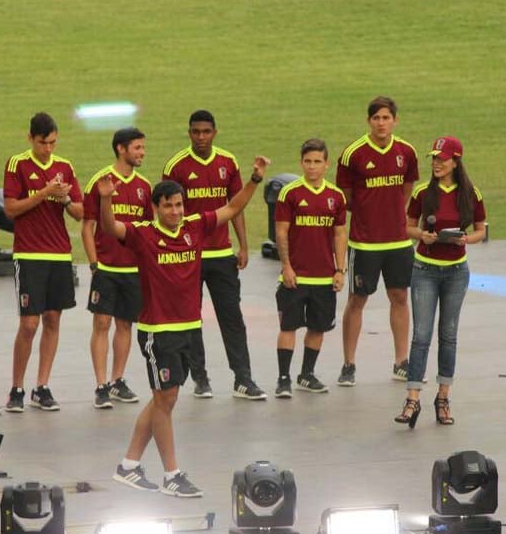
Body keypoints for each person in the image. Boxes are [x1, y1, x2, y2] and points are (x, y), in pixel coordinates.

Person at [100, 155, 271, 498]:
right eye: (168, 206)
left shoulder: (195, 226)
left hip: (189, 327)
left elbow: (231, 208)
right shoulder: (143, 234)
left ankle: (129, 466)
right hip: (158, 332)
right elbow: (110, 228)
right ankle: (171, 474)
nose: (176, 212)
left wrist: (253, 179)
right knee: (165, 400)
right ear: (156, 208)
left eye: (179, 205)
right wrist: (106, 199)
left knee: (167, 398)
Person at [162, 110, 265, 400]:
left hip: (221, 254)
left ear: (215, 132)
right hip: (188, 255)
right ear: (189, 133)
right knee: (191, 318)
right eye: (196, 132)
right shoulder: (177, 166)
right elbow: (167, 213)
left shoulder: (227, 162)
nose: (201, 137)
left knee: (231, 316)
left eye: (206, 132)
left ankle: (243, 378)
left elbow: (235, 206)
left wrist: (243, 245)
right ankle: (200, 378)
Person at [395, 136, 486, 428]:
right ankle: (412, 398)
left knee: (448, 335)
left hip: (456, 272)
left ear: (455, 161)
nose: (436, 163)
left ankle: (443, 397)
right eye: (434, 158)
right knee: (421, 335)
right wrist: (422, 235)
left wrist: (465, 239)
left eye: (442, 159)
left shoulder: (471, 194)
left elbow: (480, 230)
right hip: (425, 269)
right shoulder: (423, 192)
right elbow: (407, 226)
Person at [335, 96, 419, 386]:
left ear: (395, 120)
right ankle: (349, 364)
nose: (381, 123)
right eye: (376, 118)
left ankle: (401, 361)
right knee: (357, 299)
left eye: (386, 118)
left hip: (397, 242)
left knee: (400, 297)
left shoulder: (406, 152)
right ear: (368, 121)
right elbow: (344, 198)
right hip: (365, 243)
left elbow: (406, 189)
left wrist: (392, 214)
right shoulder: (352, 154)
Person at [3, 113, 83, 412]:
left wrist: (63, 199)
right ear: (30, 139)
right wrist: (44, 193)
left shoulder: (66, 167)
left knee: (52, 320)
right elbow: (11, 209)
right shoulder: (18, 165)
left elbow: (79, 212)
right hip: (30, 254)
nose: (48, 149)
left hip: (59, 254)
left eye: (52, 142)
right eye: (42, 143)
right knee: (29, 323)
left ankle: (42, 386)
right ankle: (16, 388)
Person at [80, 127, 153, 409]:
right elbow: (87, 226)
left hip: (133, 271)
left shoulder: (144, 187)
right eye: (137, 148)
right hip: (106, 267)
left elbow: (147, 231)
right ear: (121, 149)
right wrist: (94, 262)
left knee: (125, 324)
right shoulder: (100, 182)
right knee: (102, 323)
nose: (142, 153)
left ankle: (117, 380)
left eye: (142, 148)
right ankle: (100, 385)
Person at [273, 139, 348, 397]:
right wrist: (286, 267)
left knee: (318, 328)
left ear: (326, 164)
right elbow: (281, 232)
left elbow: (339, 235)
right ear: (301, 163)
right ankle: (283, 379)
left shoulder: (336, 197)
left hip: (324, 277)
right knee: (288, 327)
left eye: (317, 162)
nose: (312, 167)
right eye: (308, 162)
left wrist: (340, 270)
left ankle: (306, 374)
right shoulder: (290, 193)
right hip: (296, 276)